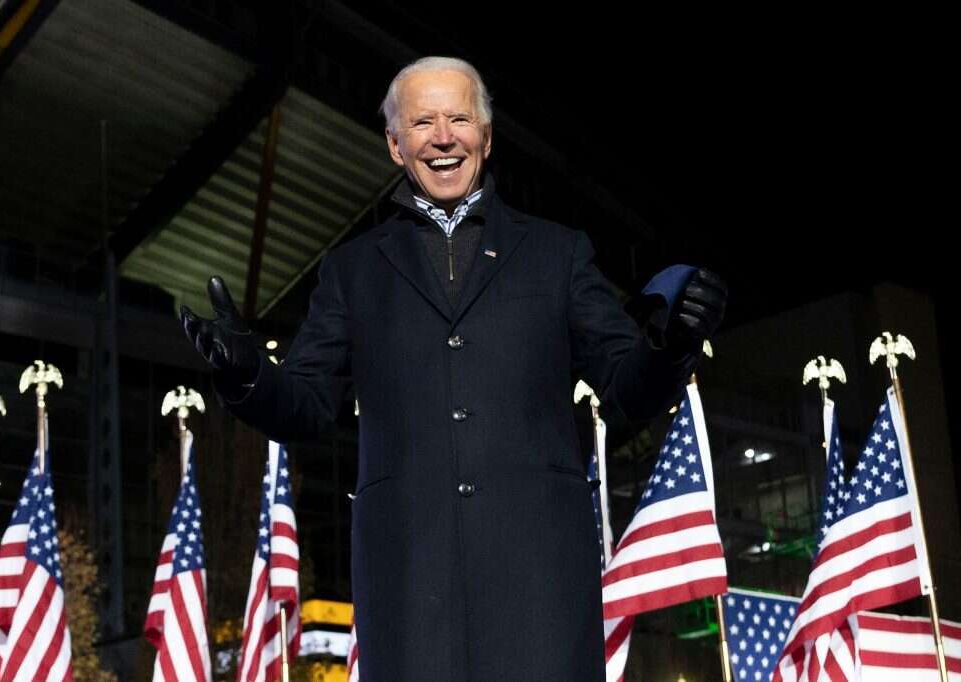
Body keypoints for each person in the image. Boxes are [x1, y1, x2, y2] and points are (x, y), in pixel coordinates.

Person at [181, 56, 727, 681]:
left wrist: (673, 340)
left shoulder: (558, 254)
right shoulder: (352, 271)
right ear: (395, 145)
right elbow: (306, 406)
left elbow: (628, 388)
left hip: (541, 588)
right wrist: (247, 373)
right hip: (409, 588)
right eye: (422, 123)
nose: (443, 137)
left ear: (487, 138)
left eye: (460, 118)